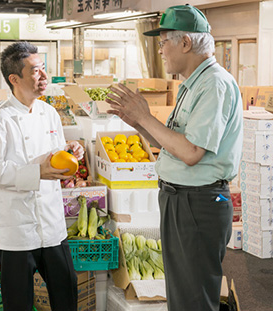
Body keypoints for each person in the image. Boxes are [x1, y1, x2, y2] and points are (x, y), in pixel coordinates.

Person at [106, 5, 243, 311]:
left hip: (199, 203)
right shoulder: (192, 84)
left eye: (164, 41)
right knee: (182, 294)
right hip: (181, 200)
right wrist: (138, 122)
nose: (161, 50)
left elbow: (192, 152)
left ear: (186, 43)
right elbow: (173, 143)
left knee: (194, 298)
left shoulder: (214, 84)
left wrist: (146, 115)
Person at [0, 42, 83, 311]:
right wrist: (37, 172)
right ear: (15, 79)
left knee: (67, 296)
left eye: (43, 69)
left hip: (52, 225)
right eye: (36, 71)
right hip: (18, 231)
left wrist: (71, 151)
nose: (44, 77)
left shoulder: (49, 113)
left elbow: (55, 154)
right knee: (18, 304)